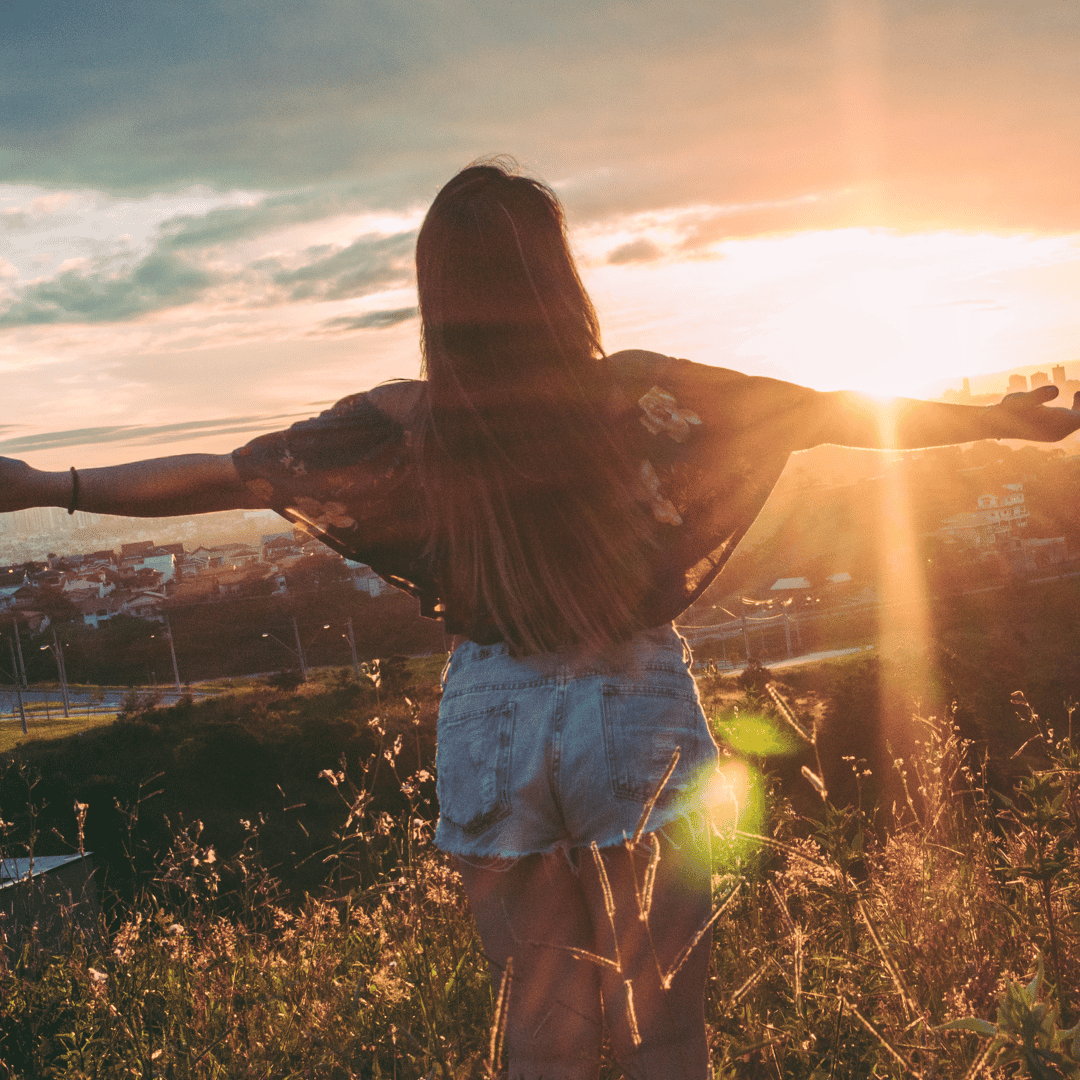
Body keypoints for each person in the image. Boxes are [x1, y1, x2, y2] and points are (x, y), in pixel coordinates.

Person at [3, 161, 1079, 1079]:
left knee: (543, 1035)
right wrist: (1000, 420)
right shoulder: (638, 393)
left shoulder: (401, 422)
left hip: (489, 714)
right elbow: (830, 410)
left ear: (438, 292)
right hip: (634, 702)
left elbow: (226, 476)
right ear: (554, 277)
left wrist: (50, 478)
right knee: (666, 1030)